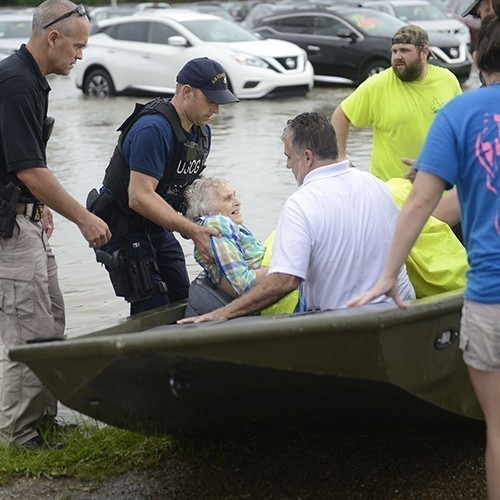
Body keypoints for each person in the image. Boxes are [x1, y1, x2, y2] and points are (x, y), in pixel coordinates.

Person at [347, 5, 500, 495]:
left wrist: (388, 272)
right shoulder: (418, 97)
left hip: (491, 295)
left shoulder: (460, 112)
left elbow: (423, 207)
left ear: (475, 57)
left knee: (498, 431)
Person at [179, 112, 414, 324]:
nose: (287, 165)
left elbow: (286, 280)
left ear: (308, 158)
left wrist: (224, 313)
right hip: (399, 309)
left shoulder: (301, 203)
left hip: (341, 322)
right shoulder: (376, 185)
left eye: (289, 157)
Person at [0, 0, 111, 448]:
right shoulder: (16, 83)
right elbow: (29, 168)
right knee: (27, 333)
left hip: (25, 218)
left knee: (51, 321)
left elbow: (20, 163)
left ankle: (42, 419)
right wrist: (82, 217)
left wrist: (38, 203)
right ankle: (19, 436)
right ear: (53, 38)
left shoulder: (30, 79)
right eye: (78, 46)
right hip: (9, 233)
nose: (81, 56)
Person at [88, 57, 239, 316]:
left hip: (157, 225)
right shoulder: (153, 129)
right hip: (125, 227)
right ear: (186, 92)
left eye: (219, 102)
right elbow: (139, 196)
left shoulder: (201, 132)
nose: (216, 110)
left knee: (182, 297)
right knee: (152, 304)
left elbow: (183, 192)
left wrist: (221, 219)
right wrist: (192, 230)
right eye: (211, 101)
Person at [331, 25, 462, 182]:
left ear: (424, 52)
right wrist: (340, 157)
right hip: (390, 190)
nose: (398, 56)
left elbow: (460, 128)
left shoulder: (447, 80)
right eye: (394, 51)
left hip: (437, 184)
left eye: (405, 51)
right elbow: (342, 114)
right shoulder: (378, 84)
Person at [183, 177, 299, 316]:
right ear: (204, 212)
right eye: (227, 198)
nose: (238, 202)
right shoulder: (215, 225)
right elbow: (241, 284)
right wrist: (291, 269)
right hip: (277, 300)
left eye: (235, 195)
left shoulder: (229, 226)